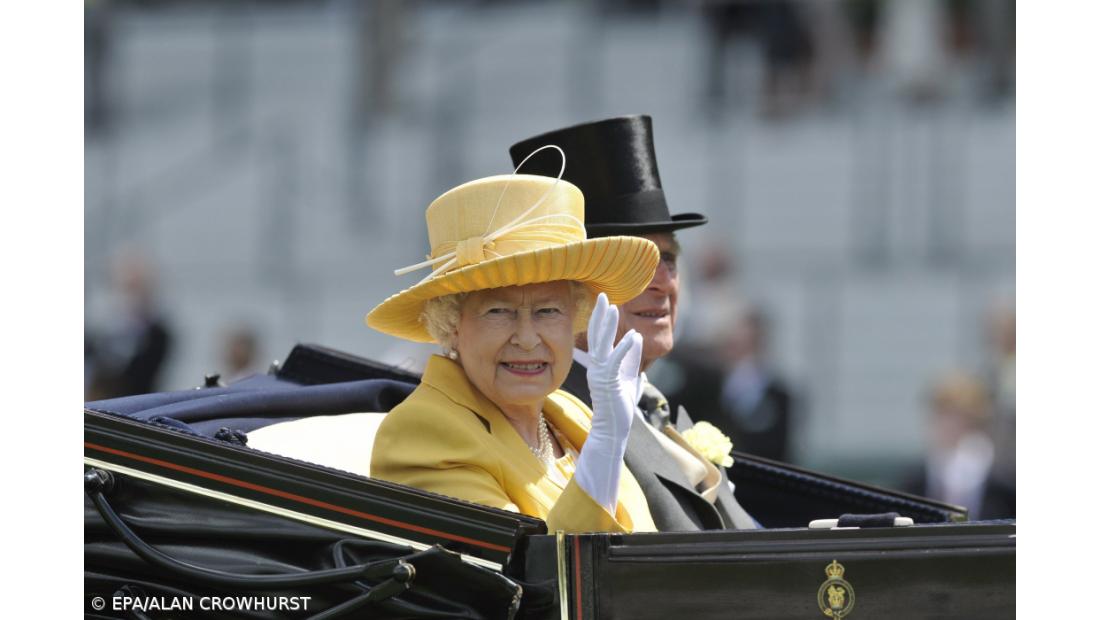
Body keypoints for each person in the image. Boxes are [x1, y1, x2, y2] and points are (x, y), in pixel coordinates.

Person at [368, 170, 663, 533]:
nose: (526, 338)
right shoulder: (422, 432)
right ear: (452, 324)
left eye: (548, 311)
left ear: (575, 318)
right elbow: (526, 565)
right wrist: (604, 450)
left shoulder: (571, 413)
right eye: (499, 311)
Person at [509, 115, 757, 531]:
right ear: (564, 289)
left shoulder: (654, 405)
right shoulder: (549, 417)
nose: (663, 283)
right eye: (634, 263)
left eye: (669, 259)